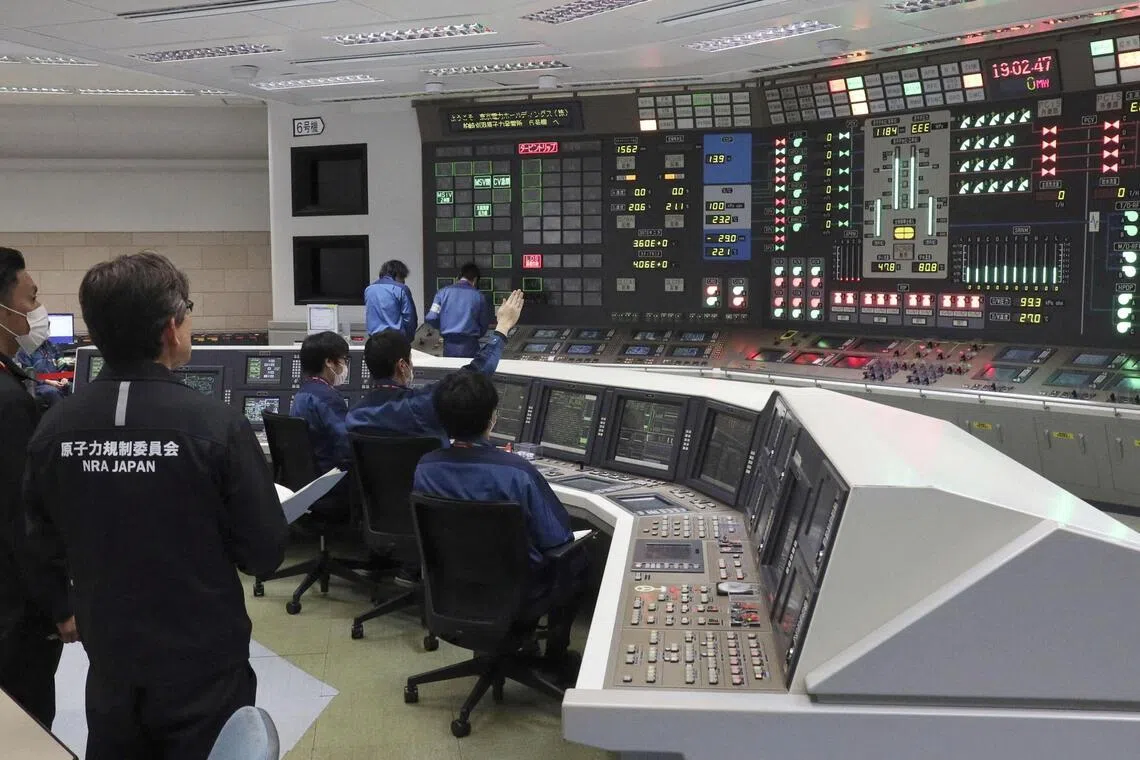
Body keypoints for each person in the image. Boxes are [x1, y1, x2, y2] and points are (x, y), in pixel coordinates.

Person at [22, 251, 288, 760]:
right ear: (172, 327)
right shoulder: (216, 426)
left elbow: (36, 537)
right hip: (203, 660)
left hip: (110, 656)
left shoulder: (53, 430)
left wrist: (61, 607)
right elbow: (265, 553)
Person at [413, 371, 585, 678]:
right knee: (579, 557)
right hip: (520, 595)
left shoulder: (425, 467)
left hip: (450, 590)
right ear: (492, 417)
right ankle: (556, 658)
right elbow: (557, 538)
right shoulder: (517, 473)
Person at [0, 247, 68, 728]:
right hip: (13, 608)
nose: (35, 313)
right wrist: (59, 605)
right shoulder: (7, 402)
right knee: (26, 720)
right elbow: (19, 515)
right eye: (30, 299)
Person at [346, 290, 524, 447]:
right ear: (402, 365)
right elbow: (474, 374)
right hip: (427, 483)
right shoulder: (424, 403)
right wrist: (502, 328)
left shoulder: (355, 415)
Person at [290, 331, 351, 474]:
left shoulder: (301, 394)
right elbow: (346, 445)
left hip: (306, 479)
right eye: (343, 359)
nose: (344, 366)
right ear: (329, 362)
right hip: (330, 479)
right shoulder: (328, 398)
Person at [425, 262, 493, 358]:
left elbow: (431, 317)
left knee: (451, 371)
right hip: (470, 346)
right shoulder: (479, 296)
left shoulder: (442, 293)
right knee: (469, 372)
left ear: (459, 276)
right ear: (475, 279)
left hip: (449, 346)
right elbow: (483, 324)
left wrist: (442, 327)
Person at [364, 260, 418, 341]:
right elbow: (409, 319)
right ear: (396, 274)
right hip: (396, 341)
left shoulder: (369, 289)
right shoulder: (401, 289)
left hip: (374, 341)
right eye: (402, 278)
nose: (403, 282)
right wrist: (409, 339)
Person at [16, 337, 69, 410]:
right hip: (38, 383)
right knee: (53, 392)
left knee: (74, 386)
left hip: (57, 381)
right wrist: (49, 382)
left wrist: (64, 377)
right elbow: (28, 374)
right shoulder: (25, 349)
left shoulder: (52, 345)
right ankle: (60, 419)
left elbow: (62, 364)